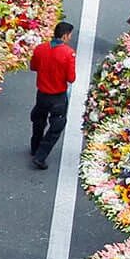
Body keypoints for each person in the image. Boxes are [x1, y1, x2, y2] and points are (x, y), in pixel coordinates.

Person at [28, 21, 76, 169]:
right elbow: (71, 78)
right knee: (57, 125)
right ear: (65, 36)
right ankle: (40, 156)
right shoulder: (68, 53)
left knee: (39, 120)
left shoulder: (40, 48)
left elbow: (33, 66)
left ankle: (35, 146)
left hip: (42, 93)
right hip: (58, 96)